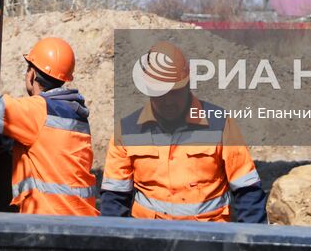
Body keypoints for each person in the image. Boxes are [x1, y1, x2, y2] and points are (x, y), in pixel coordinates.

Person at [100, 42, 266, 223]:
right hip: (149, 236)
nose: (168, 101)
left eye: (174, 92)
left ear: (188, 85)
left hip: (210, 236)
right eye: (160, 93)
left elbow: (247, 191)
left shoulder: (220, 124)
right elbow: (114, 201)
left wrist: (252, 237)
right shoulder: (126, 131)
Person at [0, 37, 98, 216]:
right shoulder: (75, 114)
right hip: (82, 220)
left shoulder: (38, 110)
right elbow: (23, 144)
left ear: (32, 74)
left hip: (51, 220)